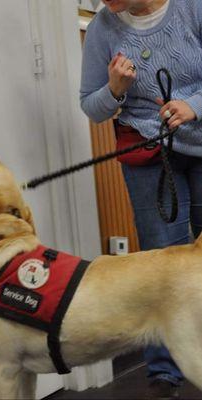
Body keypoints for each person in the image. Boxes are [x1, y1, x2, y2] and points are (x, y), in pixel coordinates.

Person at [80, 0, 202, 398]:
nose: (106, 3)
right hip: (149, 153)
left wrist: (193, 106)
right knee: (158, 261)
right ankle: (164, 374)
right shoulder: (103, 27)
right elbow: (91, 107)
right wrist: (115, 90)